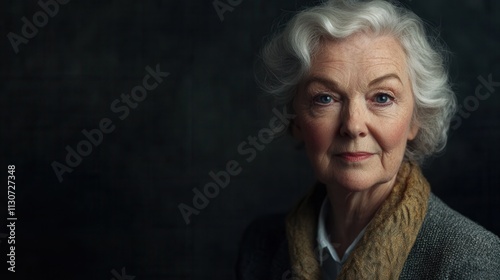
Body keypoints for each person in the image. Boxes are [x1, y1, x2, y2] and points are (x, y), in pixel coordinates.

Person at [236, 0, 500, 279]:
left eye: (382, 98)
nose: (353, 125)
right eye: (325, 98)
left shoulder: (473, 262)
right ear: (296, 119)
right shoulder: (260, 245)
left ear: (415, 119)